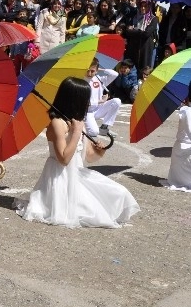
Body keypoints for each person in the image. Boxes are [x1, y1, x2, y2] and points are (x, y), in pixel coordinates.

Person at [19, 77, 139, 228]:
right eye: (86, 99)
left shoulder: (77, 122)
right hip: (61, 178)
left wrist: (99, 151)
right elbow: (63, 159)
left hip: (77, 173)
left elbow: (89, 156)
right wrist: (76, 132)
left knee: (119, 193)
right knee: (93, 212)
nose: (88, 103)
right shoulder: (58, 123)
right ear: (75, 100)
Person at [84, 58, 121, 137]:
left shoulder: (98, 79)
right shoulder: (81, 81)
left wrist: (101, 69)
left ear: (97, 70)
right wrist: (100, 101)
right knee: (94, 133)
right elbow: (81, 102)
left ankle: (104, 127)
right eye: (87, 70)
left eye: (92, 71)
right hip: (87, 112)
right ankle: (81, 127)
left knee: (117, 101)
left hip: (98, 109)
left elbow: (115, 74)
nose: (89, 73)